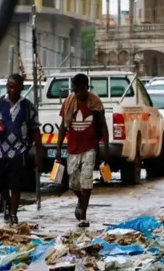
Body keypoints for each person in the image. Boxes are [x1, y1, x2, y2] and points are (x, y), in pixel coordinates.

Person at [56, 73, 110, 228]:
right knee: (73, 183)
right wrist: (59, 147)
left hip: (89, 147)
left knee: (86, 180)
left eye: (79, 90)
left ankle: (83, 216)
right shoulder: (68, 103)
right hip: (73, 148)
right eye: (74, 90)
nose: (76, 93)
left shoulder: (95, 103)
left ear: (86, 88)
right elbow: (62, 126)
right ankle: (81, 200)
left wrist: (105, 148)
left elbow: (103, 126)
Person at [0, 74, 43, 225]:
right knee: (0, 181)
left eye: (14, 87)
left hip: (19, 151)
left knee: (15, 183)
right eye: (9, 86)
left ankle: (13, 213)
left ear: (20, 88)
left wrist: (39, 154)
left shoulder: (27, 107)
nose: (10, 90)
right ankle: (7, 202)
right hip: (1, 149)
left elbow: (36, 131)